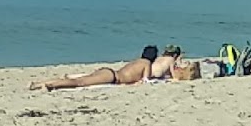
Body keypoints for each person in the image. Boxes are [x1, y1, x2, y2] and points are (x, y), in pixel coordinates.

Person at [29, 45, 158, 90]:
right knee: (79, 83)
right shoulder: (147, 63)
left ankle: (40, 83)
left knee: (81, 80)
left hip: (109, 72)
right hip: (112, 77)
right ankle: (50, 85)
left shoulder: (137, 60)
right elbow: (145, 79)